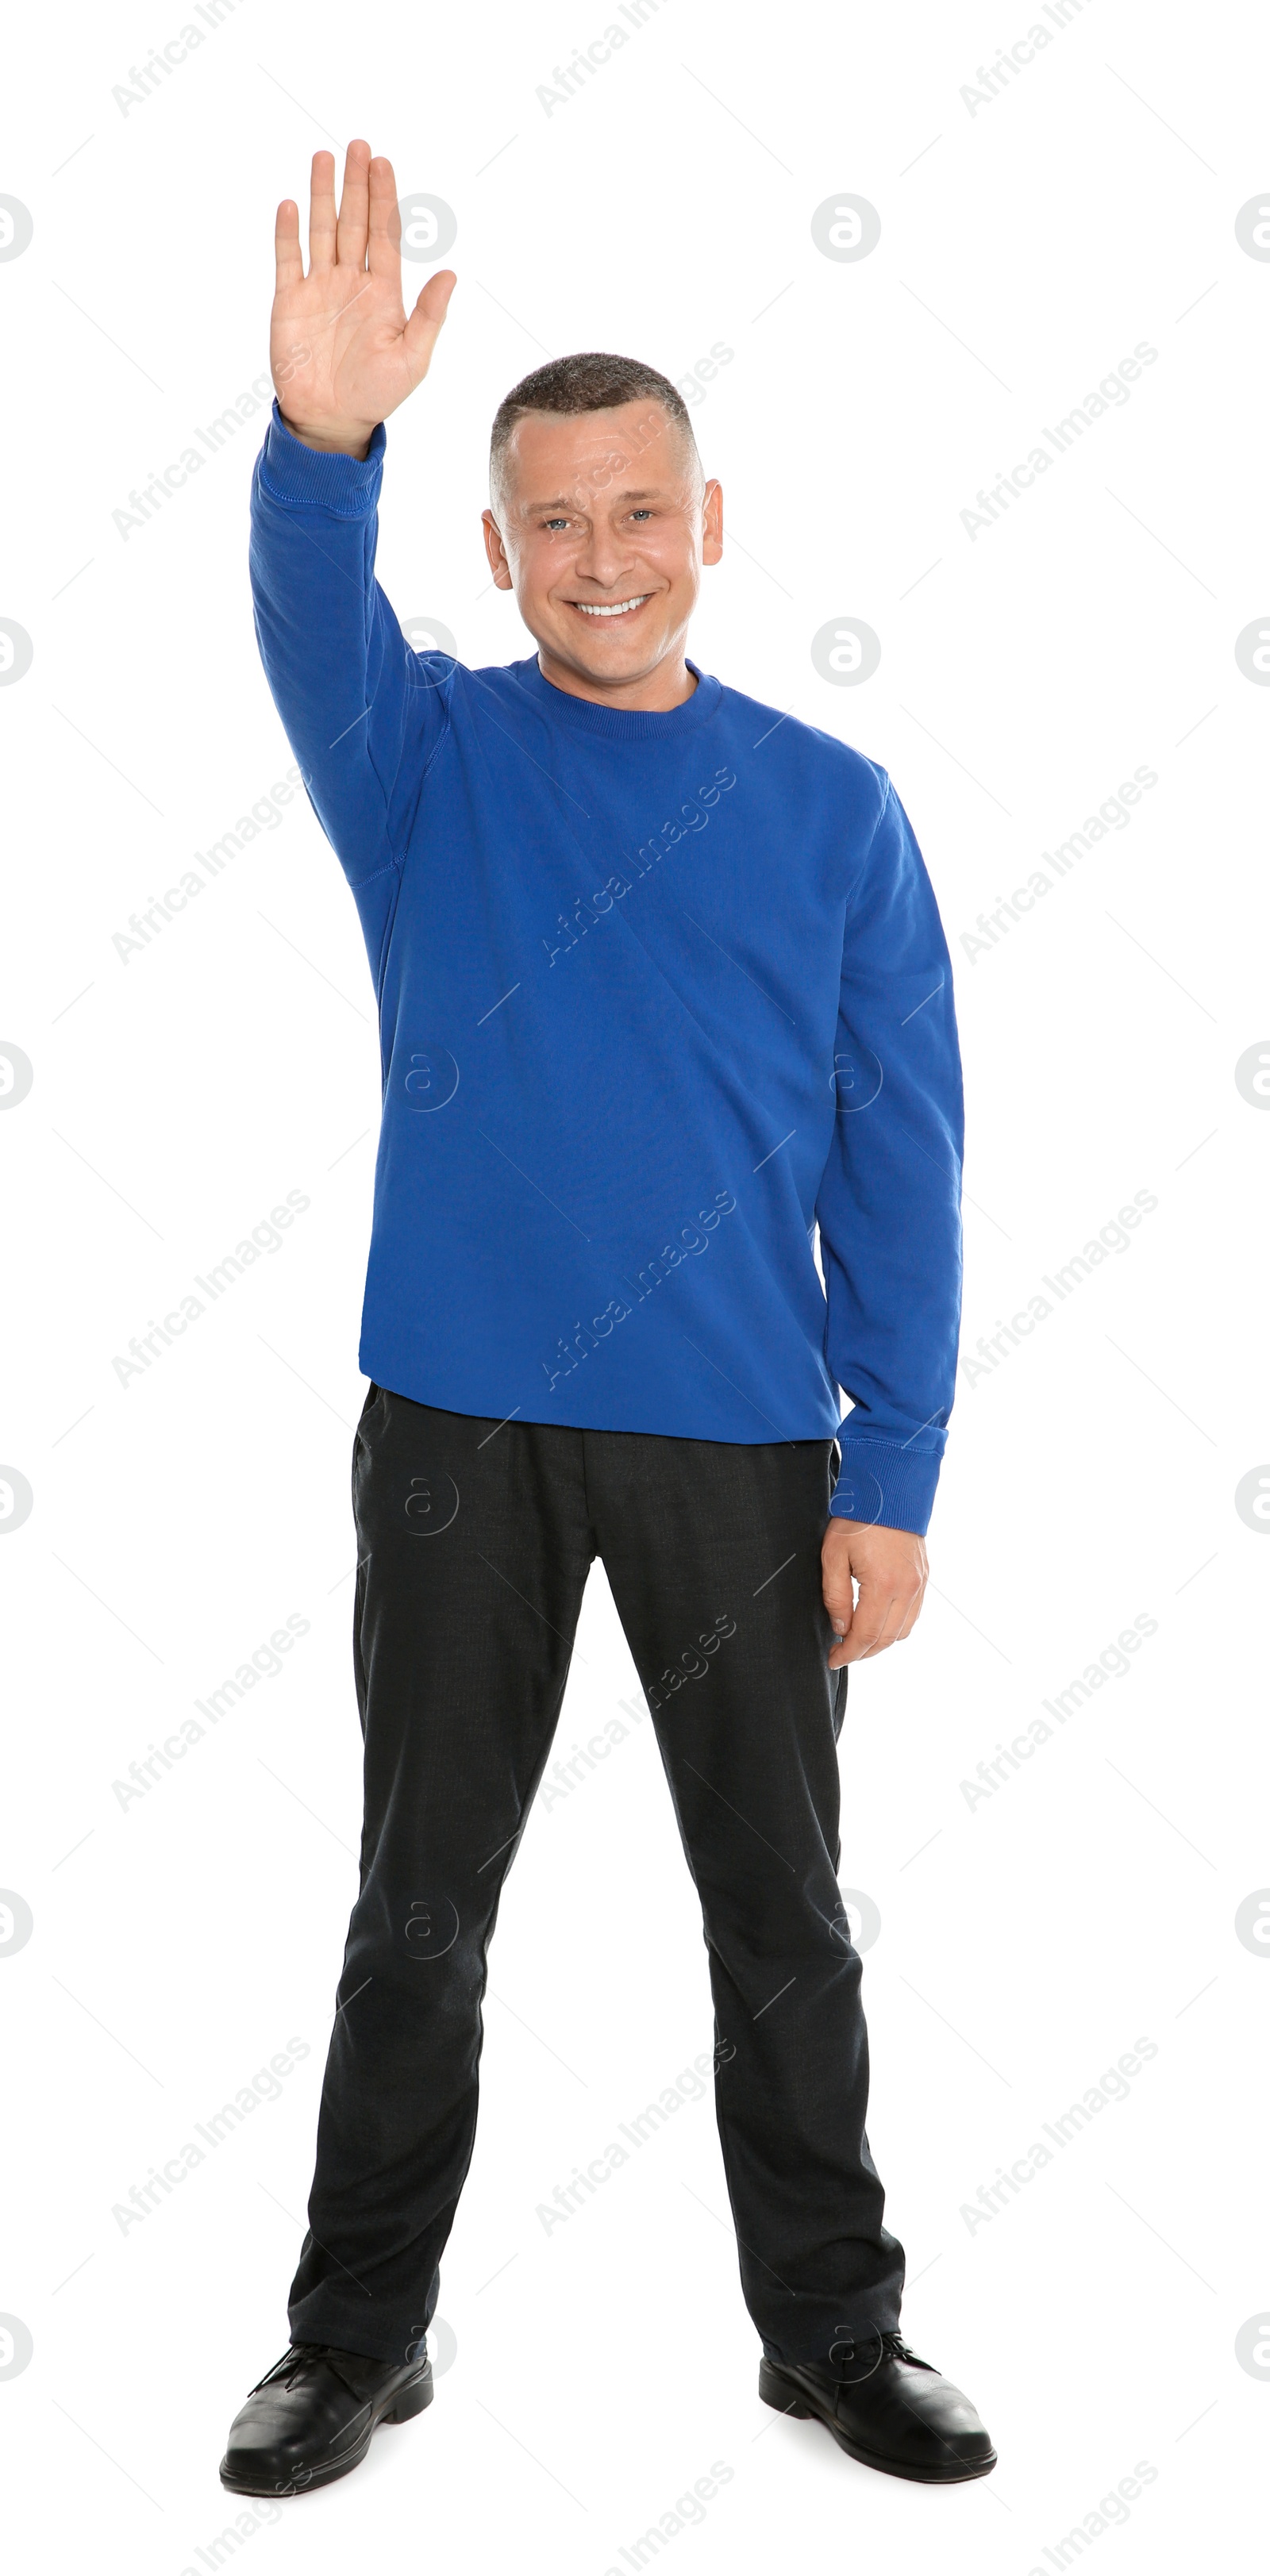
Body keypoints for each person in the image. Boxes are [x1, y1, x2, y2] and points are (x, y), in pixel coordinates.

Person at [220, 137, 994, 2497]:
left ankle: (834, 2336)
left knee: (779, 1915)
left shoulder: (834, 806)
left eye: (637, 509)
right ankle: (356, 2335)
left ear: (708, 520)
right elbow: (301, 612)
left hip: (745, 1446)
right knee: (417, 1911)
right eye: (551, 521)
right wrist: (315, 441)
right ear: (497, 549)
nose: (601, 557)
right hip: (454, 1432)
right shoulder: (423, 760)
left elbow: (908, 1163)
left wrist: (895, 1478)